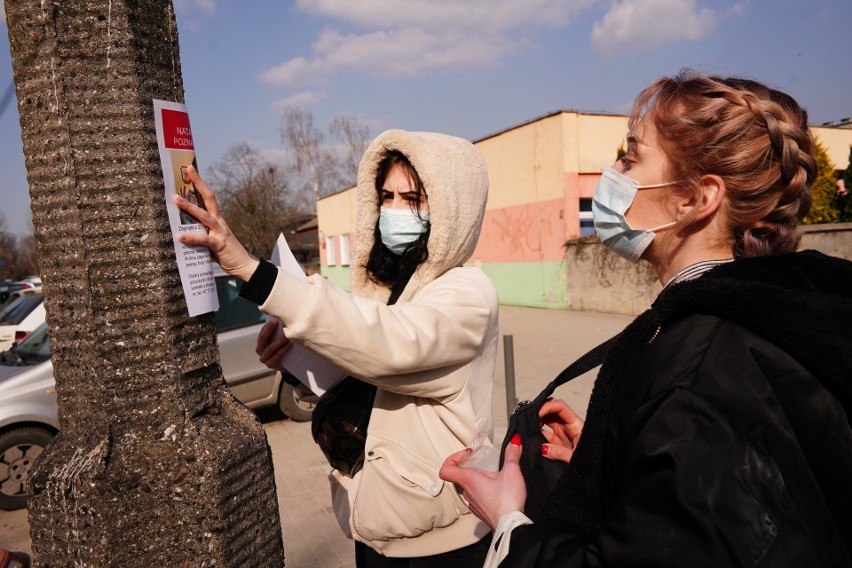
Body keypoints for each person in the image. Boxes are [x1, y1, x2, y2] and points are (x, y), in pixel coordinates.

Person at [440, 70, 852, 567]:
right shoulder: (774, 319)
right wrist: (622, 457)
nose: (613, 171)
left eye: (631, 156)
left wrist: (508, 521)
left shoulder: (701, 370)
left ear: (697, 199)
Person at [174, 129, 499, 566]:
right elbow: (362, 385)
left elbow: (391, 346)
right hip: (375, 533)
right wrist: (296, 369)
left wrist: (253, 272)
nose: (395, 211)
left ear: (452, 206)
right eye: (386, 197)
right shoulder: (388, 289)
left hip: (448, 545)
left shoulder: (468, 294)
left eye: (413, 199)